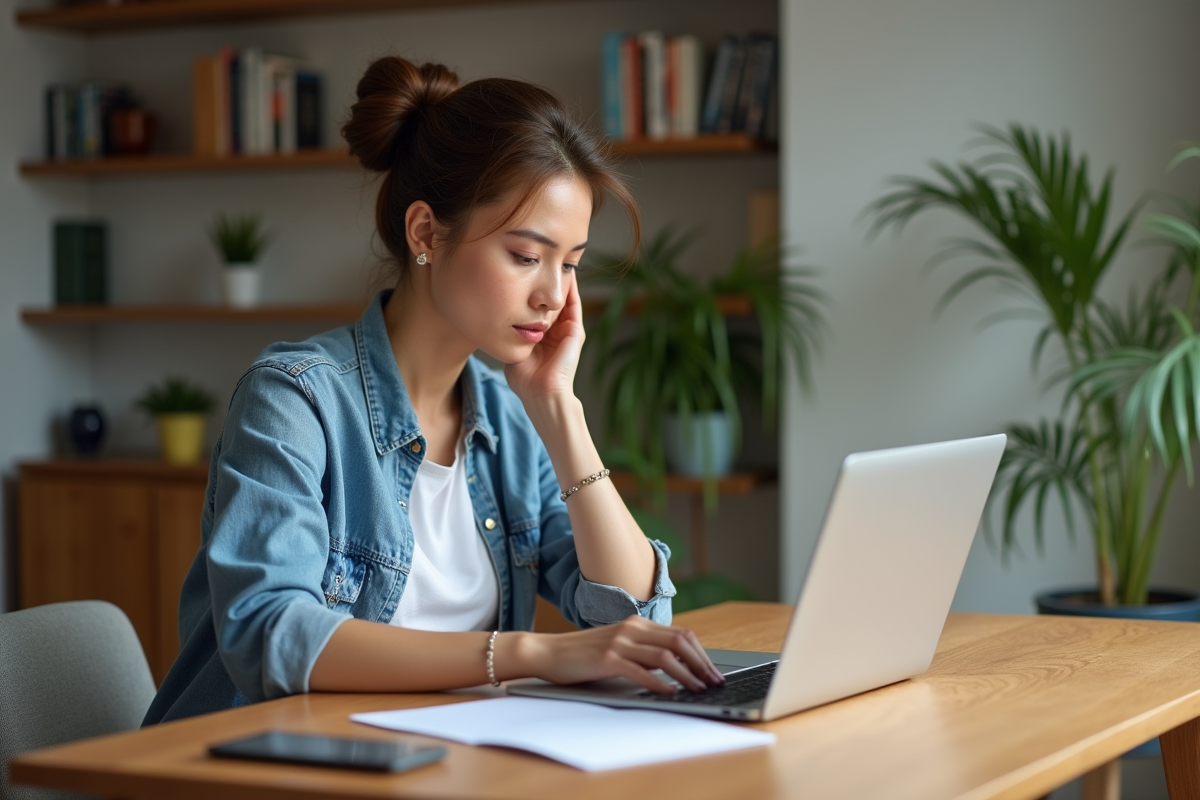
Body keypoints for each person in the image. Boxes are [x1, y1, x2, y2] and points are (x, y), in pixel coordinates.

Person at [143, 56, 724, 725]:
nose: (554, 295)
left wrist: (560, 412)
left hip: (446, 757)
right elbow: (272, 636)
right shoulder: (295, 401)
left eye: (571, 265)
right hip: (267, 767)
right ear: (425, 232)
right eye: (526, 256)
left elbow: (630, 613)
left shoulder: (508, 415)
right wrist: (528, 653)